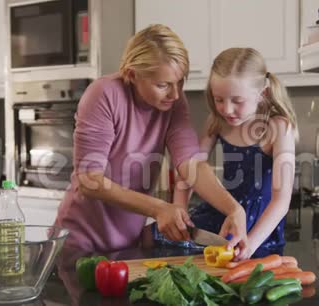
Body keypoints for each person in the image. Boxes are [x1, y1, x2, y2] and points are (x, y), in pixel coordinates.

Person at [54, 24, 248, 255]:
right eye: (163, 85)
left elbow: (190, 163)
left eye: (180, 82)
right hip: (80, 241)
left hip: (127, 243)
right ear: (132, 75)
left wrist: (234, 210)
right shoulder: (104, 94)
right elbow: (89, 179)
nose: (175, 94)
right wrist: (159, 208)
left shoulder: (174, 103)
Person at [153, 47, 298, 260]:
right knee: (156, 238)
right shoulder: (218, 122)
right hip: (221, 215)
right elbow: (191, 168)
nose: (227, 110)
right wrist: (179, 209)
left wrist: (250, 245)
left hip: (259, 227)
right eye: (219, 100)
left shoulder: (277, 127)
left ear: (262, 94)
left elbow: (281, 201)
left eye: (237, 101)